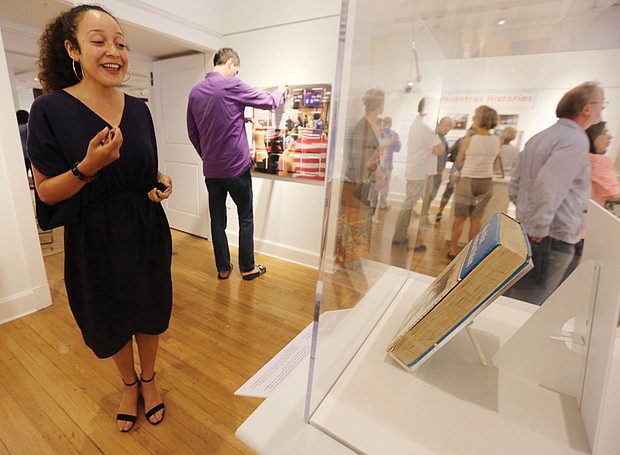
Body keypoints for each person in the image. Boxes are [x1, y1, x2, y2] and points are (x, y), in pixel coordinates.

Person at [27, 5, 172, 432]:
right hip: (95, 236)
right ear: (72, 48)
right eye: (99, 41)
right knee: (109, 317)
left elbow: (147, 171)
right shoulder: (49, 110)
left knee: (150, 310)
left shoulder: (139, 109)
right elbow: (46, 191)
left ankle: (149, 379)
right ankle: (128, 384)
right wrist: (86, 166)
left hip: (146, 229)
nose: (114, 51)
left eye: (121, 43)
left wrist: (159, 182)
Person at [187, 48, 286, 280]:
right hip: (236, 169)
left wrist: (208, 156)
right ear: (231, 64)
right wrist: (281, 91)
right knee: (245, 218)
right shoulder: (233, 85)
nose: (236, 73)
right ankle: (247, 268)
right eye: (236, 70)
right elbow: (269, 102)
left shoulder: (195, 92)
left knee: (218, 221)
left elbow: (193, 133)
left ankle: (223, 269)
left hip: (212, 172)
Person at [506, 81, 606, 305]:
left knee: (517, 294)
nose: (603, 109)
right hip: (551, 235)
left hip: (532, 230)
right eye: (602, 103)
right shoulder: (575, 139)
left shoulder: (540, 137)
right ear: (586, 109)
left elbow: (515, 186)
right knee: (533, 300)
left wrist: (528, 215)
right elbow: (550, 184)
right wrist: (539, 224)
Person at [563, 121, 618, 279]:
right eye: (605, 133)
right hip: (580, 229)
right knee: (565, 280)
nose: (610, 137)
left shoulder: (572, 156)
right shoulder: (599, 161)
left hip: (559, 225)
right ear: (593, 136)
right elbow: (614, 193)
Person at [338, 88, 385, 267]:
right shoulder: (361, 127)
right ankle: (351, 259)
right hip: (361, 183)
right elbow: (357, 161)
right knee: (356, 222)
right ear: (380, 105)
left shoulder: (371, 126)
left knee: (364, 221)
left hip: (369, 182)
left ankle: (358, 257)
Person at [448, 106, 500, 259]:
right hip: (486, 182)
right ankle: (471, 253)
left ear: (478, 120)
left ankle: (452, 250)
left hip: (467, 181)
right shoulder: (497, 140)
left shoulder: (468, 140)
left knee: (459, 219)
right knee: (476, 219)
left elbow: (460, 160)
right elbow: (495, 159)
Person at [392, 97, 436, 251]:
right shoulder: (423, 128)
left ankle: (400, 235)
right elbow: (439, 149)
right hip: (418, 172)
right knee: (410, 203)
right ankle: (399, 236)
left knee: (410, 203)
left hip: (415, 170)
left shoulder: (417, 126)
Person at [435, 127, 477, 222]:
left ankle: (440, 211)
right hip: (466, 170)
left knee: (449, 191)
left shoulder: (461, 140)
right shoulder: (474, 143)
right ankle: (457, 217)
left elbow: (449, 151)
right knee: (462, 193)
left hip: (457, 168)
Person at [420, 116, 454, 225]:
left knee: (431, 195)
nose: (448, 128)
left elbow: (444, 153)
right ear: (440, 124)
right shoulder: (434, 136)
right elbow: (437, 151)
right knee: (428, 195)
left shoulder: (443, 138)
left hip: (438, 171)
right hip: (431, 171)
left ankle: (424, 216)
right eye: (447, 125)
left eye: (450, 126)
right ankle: (423, 217)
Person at [378, 116, 401, 210]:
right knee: (385, 184)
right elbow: (398, 148)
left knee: (375, 185)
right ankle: (382, 203)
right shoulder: (393, 135)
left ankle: (375, 204)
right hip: (387, 164)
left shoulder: (379, 133)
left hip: (379, 163)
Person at [16, 110, 30, 177]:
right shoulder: (26, 127)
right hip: (28, 152)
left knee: (24, 172)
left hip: (20, 152)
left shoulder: (16, 128)